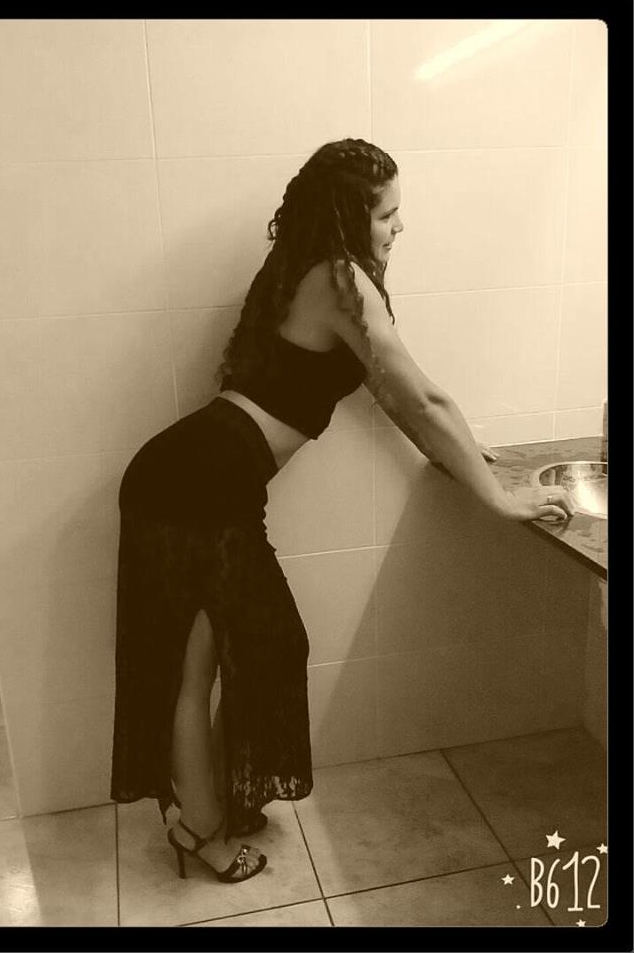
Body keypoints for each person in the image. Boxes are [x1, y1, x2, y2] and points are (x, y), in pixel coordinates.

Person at [109, 138, 574, 885]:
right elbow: (421, 396)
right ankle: (200, 831)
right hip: (195, 482)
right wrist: (498, 498)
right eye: (388, 214)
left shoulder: (305, 269)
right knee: (196, 667)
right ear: (349, 216)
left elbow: (396, 395)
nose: (399, 227)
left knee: (260, 647)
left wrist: (461, 454)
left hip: (205, 477)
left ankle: (212, 804)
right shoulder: (338, 277)